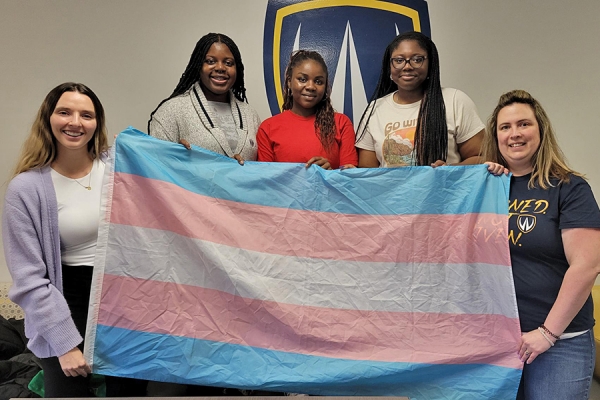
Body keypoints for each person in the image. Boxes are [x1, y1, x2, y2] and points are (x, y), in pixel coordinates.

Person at [2, 82, 147, 397]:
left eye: (87, 115)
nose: (76, 123)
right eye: (64, 112)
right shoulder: (25, 189)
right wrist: (65, 343)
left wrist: (193, 155)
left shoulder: (117, 167)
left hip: (121, 301)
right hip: (64, 300)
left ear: (97, 123)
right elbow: (29, 279)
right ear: (48, 118)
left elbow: (168, 172)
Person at [482, 89, 600, 399]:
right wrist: (474, 179)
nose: (514, 134)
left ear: (541, 130)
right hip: (497, 341)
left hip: (560, 342)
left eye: (524, 124)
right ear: (495, 137)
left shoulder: (569, 188)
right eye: (505, 127)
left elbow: (587, 266)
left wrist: (547, 334)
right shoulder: (484, 189)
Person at [356, 31, 484, 168]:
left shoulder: (455, 101)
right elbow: (367, 173)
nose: (407, 66)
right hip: (391, 190)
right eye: (399, 60)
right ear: (389, 66)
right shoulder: (374, 110)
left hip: (443, 188)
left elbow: (483, 157)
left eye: (417, 59)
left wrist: (450, 170)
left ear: (430, 63)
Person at [148, 32, 260, 164]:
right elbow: (154, 167)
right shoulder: (171, 111)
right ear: (198, 66)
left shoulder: (250, 114)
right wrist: (176, 158)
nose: (220, 68)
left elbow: (260, 169)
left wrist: (238, 169)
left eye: (228, 63)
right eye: (210, 61)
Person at [257, 50, 357, 169]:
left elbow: (349, 180)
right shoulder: (268, 128)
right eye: (302, 79)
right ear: (289, 82)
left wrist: (330, 174)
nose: (310, 87)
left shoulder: (341, 123)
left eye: (318, 81)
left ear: (325, 86)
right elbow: (265, 179)